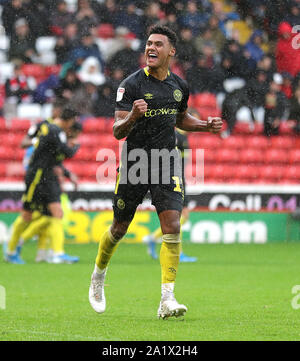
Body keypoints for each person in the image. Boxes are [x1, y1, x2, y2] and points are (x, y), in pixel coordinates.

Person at [88, 25, 222, 319]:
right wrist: (134, 115)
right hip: (135, 162)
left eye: (158, 44)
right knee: (119, 229)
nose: (151, 48)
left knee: (172, 226)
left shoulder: (179, 86)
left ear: (171, 51)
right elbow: (117, 131)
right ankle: (98, 275)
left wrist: (204, 126)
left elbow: (181, 117)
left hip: (166, 161)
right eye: (148, 43)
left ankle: (167, 299)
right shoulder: (131, 85)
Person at [5, 108, 80, 264]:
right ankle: (11, 250)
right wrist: (75, 146)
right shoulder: (53, 130)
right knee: (27, 215)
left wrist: (66, 173)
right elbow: (66, 152)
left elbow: (55, 157)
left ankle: (57, 253)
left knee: (56, 213)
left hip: (49, 176)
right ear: (70, 120)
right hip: (37, 175)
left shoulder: (49, 128)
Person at [143, 127, 197, 263]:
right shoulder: (177, 135)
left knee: (181, 216)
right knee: (181, 216)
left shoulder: (177, 135)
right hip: (175, 178)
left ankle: (154, 238)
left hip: (177, 177)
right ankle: (177, 252)